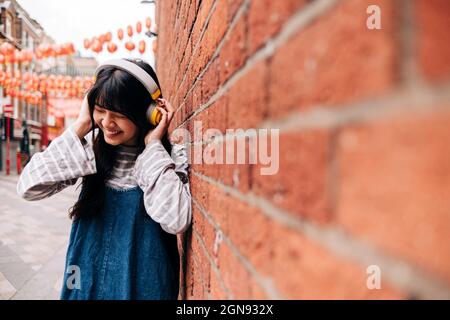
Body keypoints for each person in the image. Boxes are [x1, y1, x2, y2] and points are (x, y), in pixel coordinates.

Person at [16, 58, 192, 300]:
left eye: (118, 114)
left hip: (142, 287)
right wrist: (81, 124)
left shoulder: (167, 161)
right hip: (85, 282)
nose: (107, 123)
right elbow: (28, 187)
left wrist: (152, 146)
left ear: (148, 113)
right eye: (100, 110)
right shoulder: (87, 153)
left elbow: (176, 220)